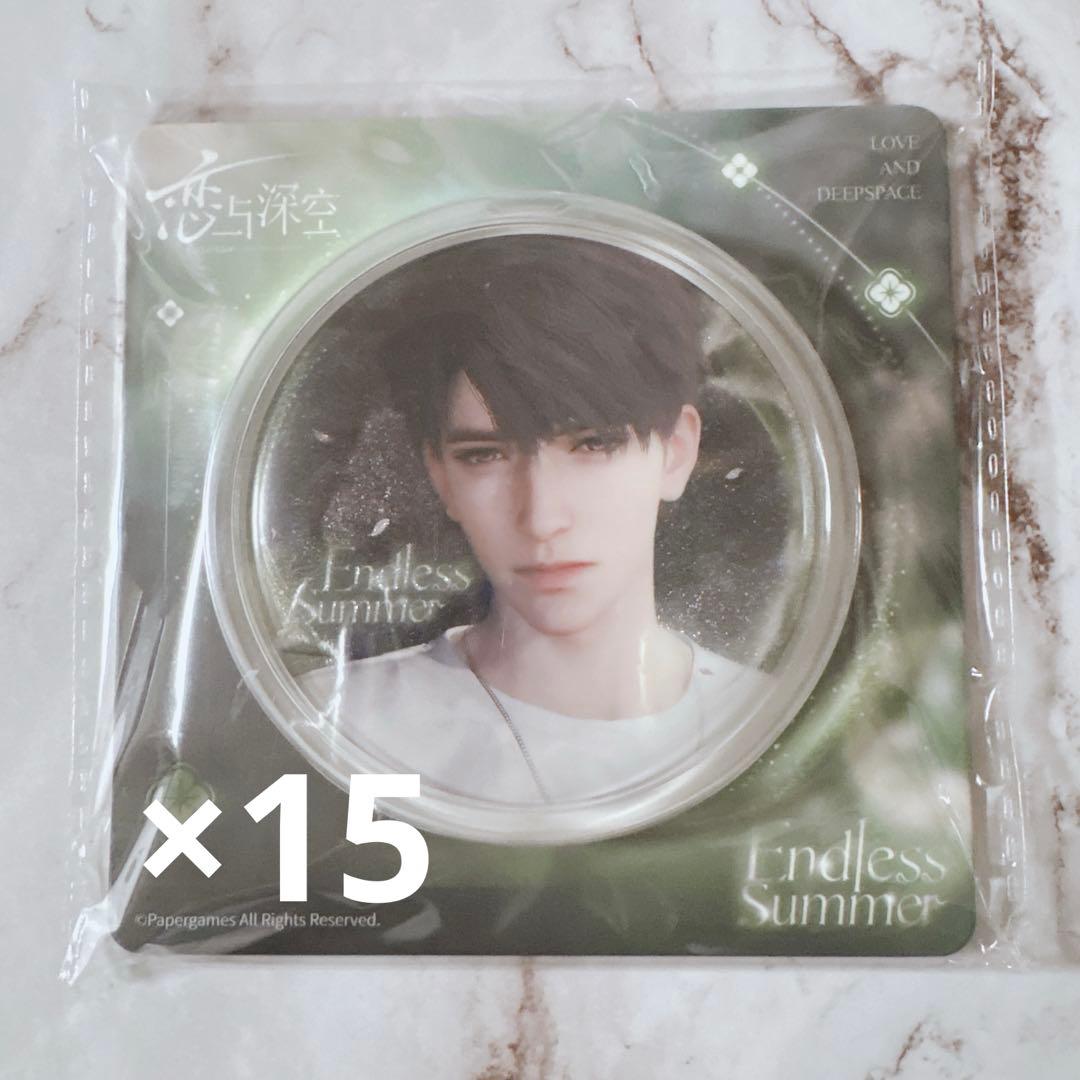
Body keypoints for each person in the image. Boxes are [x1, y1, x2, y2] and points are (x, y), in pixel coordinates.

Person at [300, 235, 762, 806]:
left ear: (676, 452)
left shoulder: (766, 718)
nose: (542, 518)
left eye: (593, 445)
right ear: (440, 475)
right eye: (484, 455)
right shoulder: (333, 720)